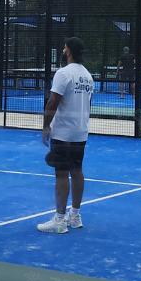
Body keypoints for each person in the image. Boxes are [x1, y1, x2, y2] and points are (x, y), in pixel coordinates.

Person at [37, 37, 95, 234]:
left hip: (63, 132)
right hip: (80, 132)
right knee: (77, 170)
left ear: (68, 51)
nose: (63, 49)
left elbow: (53, 102)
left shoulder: (63, 73)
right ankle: (75, 216)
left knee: (61, 173)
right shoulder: (88, 76)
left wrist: (45, 126)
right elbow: (89, 104)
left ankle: (60, 220)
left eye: (64, 47)